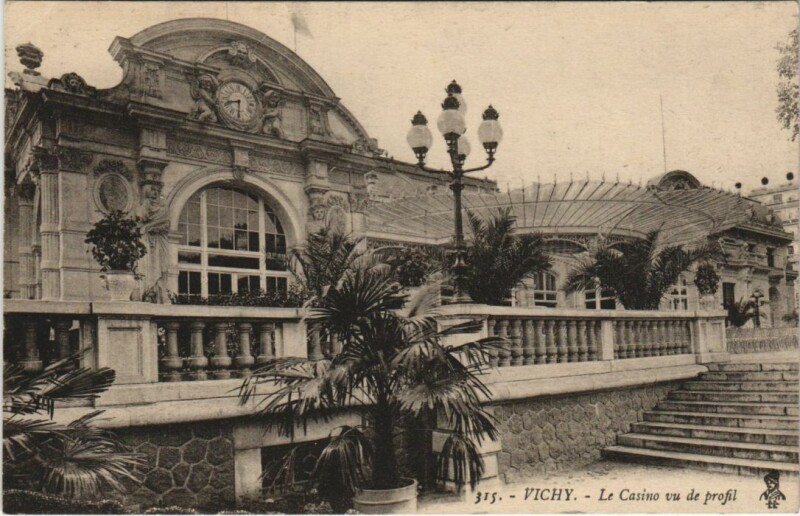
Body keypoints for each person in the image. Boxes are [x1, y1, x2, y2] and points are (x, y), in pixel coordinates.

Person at [136, 183, 171, 303]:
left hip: (160, 239)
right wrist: (146, 204)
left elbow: (166, 224)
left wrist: (155, 228)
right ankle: (148, 292)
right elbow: (141, 217)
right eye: (152, 190)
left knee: (163, 265)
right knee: (147, 264)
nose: (155, 193)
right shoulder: (145, 206)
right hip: (147, 238)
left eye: (157, 190)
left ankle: (159, 292)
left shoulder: (164, 208)